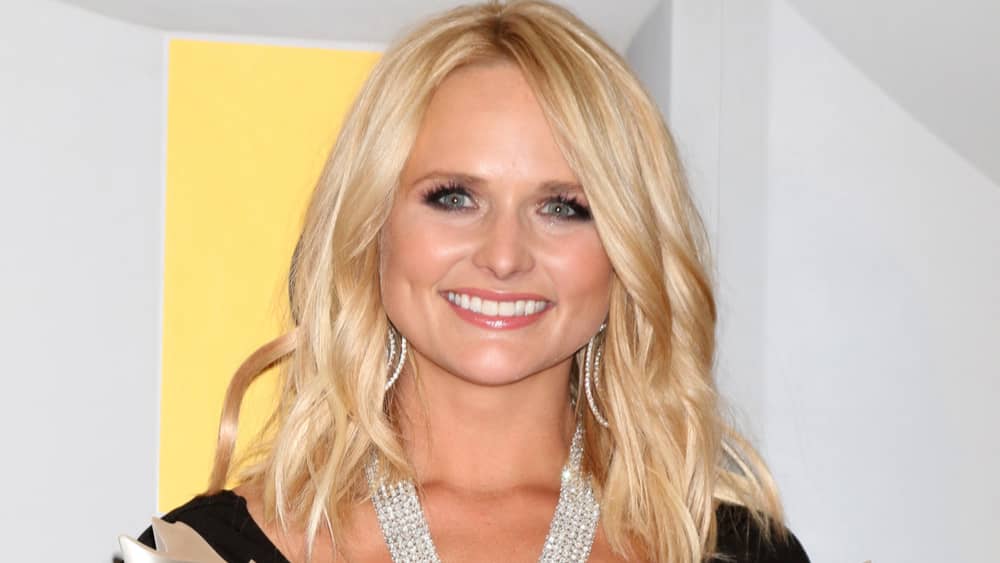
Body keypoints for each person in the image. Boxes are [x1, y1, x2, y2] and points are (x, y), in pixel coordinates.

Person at [124, 1, 810, 561]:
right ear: (372, 224)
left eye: (562, 207)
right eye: (454, 197)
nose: (504, 256)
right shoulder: (201, 553)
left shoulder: (733, 550)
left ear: (626, 249)